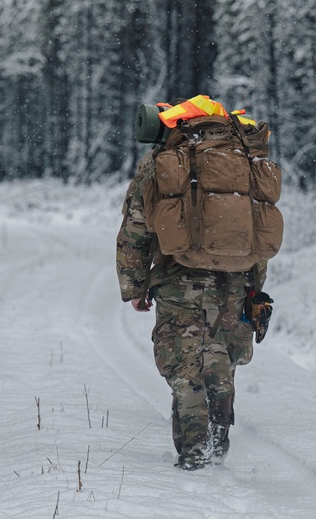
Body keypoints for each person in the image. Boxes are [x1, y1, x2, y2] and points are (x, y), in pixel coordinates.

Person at [115, 100, 276, 471]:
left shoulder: (166, 160)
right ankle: (217, 448)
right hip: (234, 282)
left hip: (178, 279)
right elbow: (259, 231)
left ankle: (194, 454)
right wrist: (255, 285)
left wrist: (135, 287)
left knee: (185, 369)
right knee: (221, 364)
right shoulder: (244, 157)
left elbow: (135, 230)